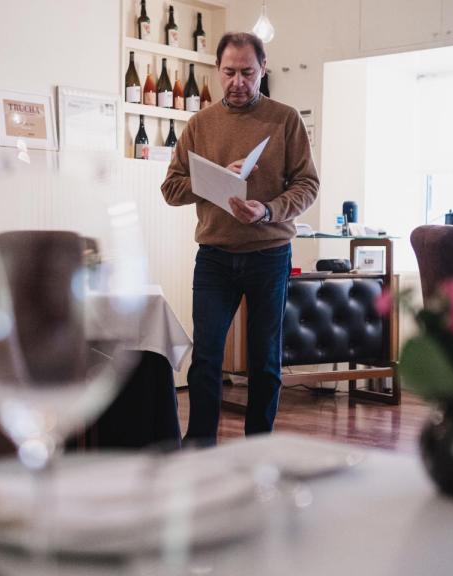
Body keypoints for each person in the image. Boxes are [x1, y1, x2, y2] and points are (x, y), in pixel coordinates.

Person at [160, 32, 319, 444]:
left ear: (262, 69)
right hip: (214, 255)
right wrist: (214, 178)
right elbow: (171, 190)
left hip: (269, 253)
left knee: (264, 361)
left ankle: (259, 450)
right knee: (206, 359)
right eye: (229, 72)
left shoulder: (285, 120)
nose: (237, 81)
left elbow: (307, 185)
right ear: (217, 71)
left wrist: (267, 210)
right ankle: (200, 450)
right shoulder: (199, 124)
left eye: (247, 72)